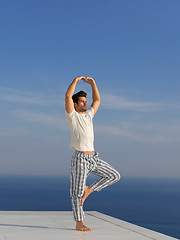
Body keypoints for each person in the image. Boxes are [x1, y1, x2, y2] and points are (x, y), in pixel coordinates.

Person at [65, 76, 120, 232]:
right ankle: (79, 222)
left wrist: (93, 84)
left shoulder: (89, 115)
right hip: (80, 159)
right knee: (76, 193)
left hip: (93, 158)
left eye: (85, 101)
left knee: (114, 175)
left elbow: (97, 100)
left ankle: (89, 189)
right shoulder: (72, 116)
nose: (85, 103)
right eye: (82, 101)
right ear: (75, 104)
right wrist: (75, 82)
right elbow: (68, 96)